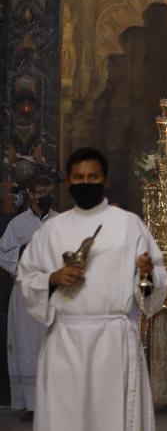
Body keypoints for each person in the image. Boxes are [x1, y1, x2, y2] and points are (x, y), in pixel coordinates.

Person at [17, 147, 167, 431]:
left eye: (93, 176)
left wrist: (146, 274)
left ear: (105, 180)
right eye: (79, 177)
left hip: (113, 341)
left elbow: (157, 280)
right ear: (70, 182)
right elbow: (26, 279)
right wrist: (52, 278)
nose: (86, 183)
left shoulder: (128, 225)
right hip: (65, 339)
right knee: (65, 418)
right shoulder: (52, 230)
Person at [0, 176, 57, 422]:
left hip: (53, 292)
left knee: (51, 343)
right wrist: (21, 270)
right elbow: (4, 252)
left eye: (47, 191)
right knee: (26, 343)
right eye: (38, 191)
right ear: (31, 194)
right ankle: (31, 404)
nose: (42, 195)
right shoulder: (18, 224)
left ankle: (54, 403)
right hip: (25, 291)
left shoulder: (60, 221)